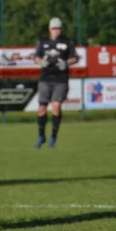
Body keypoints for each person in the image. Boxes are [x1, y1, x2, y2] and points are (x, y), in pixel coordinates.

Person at [33, 17, 79, 148]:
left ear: (61, 29)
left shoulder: (66, 42)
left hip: (60, 79)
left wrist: (67, 62)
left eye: (58, 28)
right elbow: (36, 56)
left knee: (56, 106)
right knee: (42, 108)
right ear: (49, 29)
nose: (56, 31)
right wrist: (40, 61)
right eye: (54, 28)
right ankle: (41, 136)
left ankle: (53, 137)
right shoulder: (43, 42)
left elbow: (75, 57)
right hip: (45, 78)